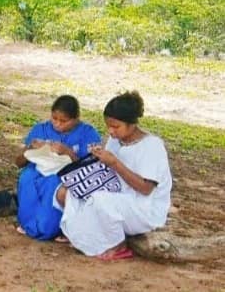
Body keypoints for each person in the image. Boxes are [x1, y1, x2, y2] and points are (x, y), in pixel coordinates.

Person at [56, 92, 172, 260]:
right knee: (70, 193)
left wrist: (115, 163)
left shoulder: (152, 146)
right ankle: (86, 238)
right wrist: (98, 158)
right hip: (117, 195)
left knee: (100, 199)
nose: (111, 131)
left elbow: (146, 189)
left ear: (132, 124)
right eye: (108, 126)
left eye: (116, 127)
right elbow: (108, 170)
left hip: (144, 208)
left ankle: (118, 245)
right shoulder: (115, 140)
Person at [15, 95, 100, 241]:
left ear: (76, 119)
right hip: (37, 170)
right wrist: (29, 148)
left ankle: (54, 228)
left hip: (65, 174)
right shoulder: (40, 129)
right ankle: (28, 223)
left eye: (63, 121)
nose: (57, 124)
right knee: (26, 177)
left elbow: (92, 169)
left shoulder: (87, 133)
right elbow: (18, 162)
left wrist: (68, 152)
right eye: (54, 118)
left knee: (54, 183)